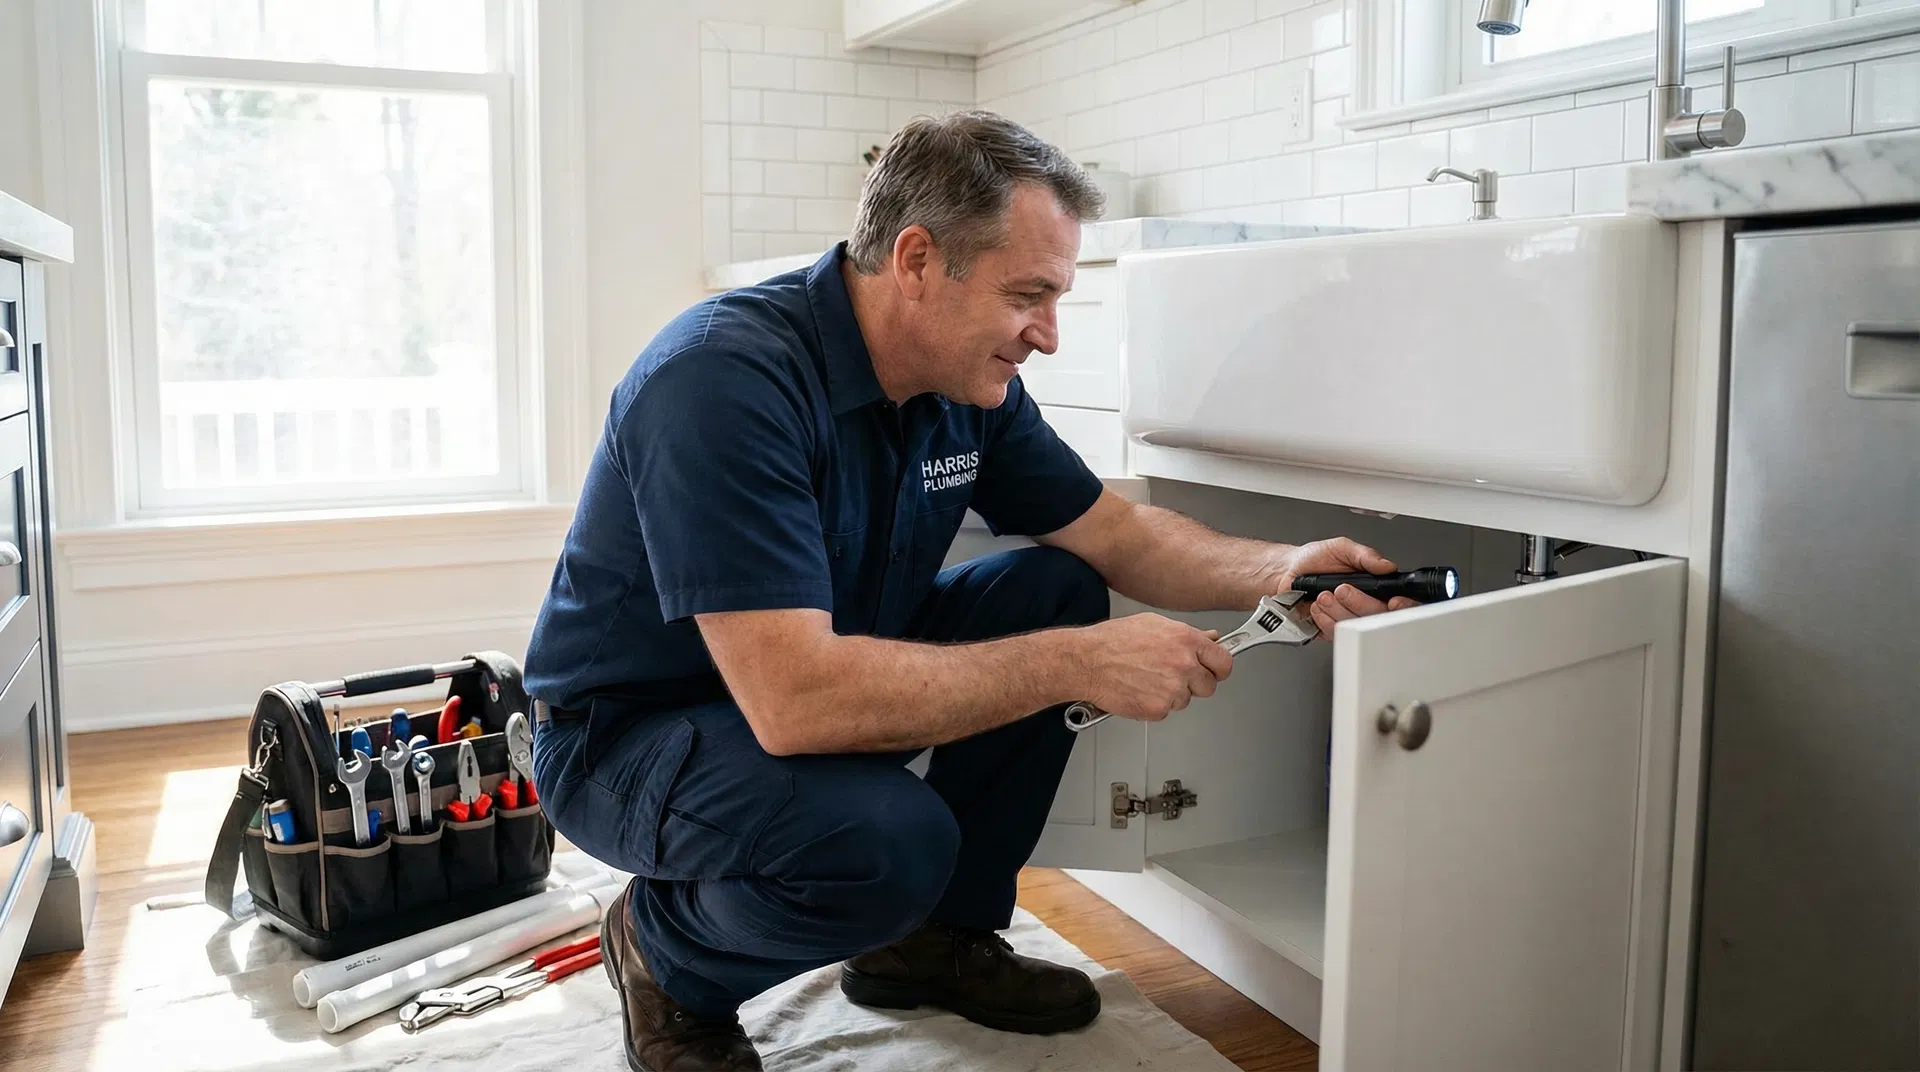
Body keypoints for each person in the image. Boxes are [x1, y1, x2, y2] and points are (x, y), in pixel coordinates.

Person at [524, 110, 1417, 1071]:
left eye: (1059, 296)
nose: (1049, 335)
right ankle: (666, 957)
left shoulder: (963, 381)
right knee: (891, 844)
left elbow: (1113, 532)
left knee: (1055, 583)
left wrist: (1282, 568)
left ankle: (928, 945)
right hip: (630, 740)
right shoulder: (722, 382)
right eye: (1027, 295)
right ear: (916, 261)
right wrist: (1078, 664)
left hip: (808, 679)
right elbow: (795, 702)